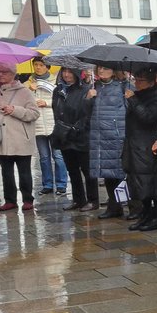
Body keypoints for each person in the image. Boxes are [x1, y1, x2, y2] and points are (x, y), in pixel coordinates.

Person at [0, 62, 40, 211]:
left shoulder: (24, 91)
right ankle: (10, 200)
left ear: (13, 74)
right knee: (6, 172)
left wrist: (15, 110)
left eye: (5, 72)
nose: (1, 75)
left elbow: (34, 113)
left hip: (21, 138)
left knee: (24, 172)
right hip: (0, 139)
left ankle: (28, 199)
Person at [123, 68, 157, 231]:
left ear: (150, 82)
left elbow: (149, 117)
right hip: (135, 145)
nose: (136, 83)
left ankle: (156, 216)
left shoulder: (156, 96)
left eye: (140, 80)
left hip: (147, 146)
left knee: (151, 182)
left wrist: (133, 100)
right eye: (136, 80)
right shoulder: (139, 95)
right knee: (139, 183)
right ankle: (146, 214)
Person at [53, 68, 99, 211]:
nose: (66, 75)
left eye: (70, 72)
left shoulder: (85, 90)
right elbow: (56, 110)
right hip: (64, 135)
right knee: (72, 170)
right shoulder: (58, 91)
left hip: (81, 135)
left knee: (87, 170)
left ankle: (93, 200)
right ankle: (78, 199)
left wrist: (76, 128)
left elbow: (87, 114)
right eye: (64, 72)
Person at [88, 66, 130, 219]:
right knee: (106, 172)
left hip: (116, 135)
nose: (101, 71)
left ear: (114, 70)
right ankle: (114, 205)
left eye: (105, 68)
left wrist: (130, 98)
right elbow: (85, 111)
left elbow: (129, 109)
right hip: (99, 137)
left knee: (119, 172)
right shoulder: (94, 87)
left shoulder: (122, 86)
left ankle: (127, 204)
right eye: (99, 68)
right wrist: (88, 98)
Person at [28, 57, 67, 195]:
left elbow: (61, 101)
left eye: (41, 65)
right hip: (38, 124)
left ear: (47, 67)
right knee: (44, 157)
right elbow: (26, 102)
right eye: (36, 65)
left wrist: (46, 103)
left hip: (53, 123)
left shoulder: (56, 81)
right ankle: (47, 185)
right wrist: (30, 90)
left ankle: (62, 184)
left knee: (58, 156)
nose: (38, 67)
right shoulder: (29, 82)